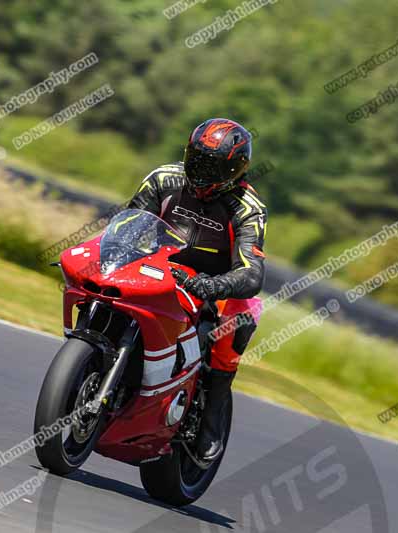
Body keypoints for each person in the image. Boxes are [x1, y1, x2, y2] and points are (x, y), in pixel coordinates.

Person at [128, 118, 267, 461]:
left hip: (213, 288)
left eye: (213, 165)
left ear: (234, 170)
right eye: (198, 159)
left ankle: (211, 417)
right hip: (159, 269)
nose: (201, 171)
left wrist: (209, 286)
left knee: (239, 319)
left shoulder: (247, 209)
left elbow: (252, 273)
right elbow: (129, 222)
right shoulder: (163, 179)